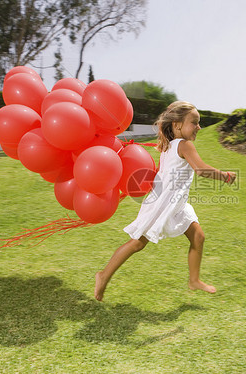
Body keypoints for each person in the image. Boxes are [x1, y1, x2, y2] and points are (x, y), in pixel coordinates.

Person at [94, 101, 237, 301]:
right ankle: (103, 275)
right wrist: (225, 175)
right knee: (137, 243)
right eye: (194, 122)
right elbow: (200, 169)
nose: (199, 127)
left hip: (176, 202)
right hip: (162, 203)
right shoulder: (184, 145)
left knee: (198, 237)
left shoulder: (170, 145)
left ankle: (194, 280)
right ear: (177, 125)